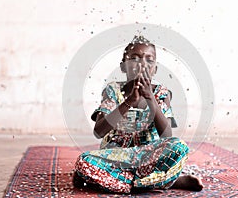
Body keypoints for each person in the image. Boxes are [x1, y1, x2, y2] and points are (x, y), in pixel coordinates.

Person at [73, 35, 203, 193]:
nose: (142, 64)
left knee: (179, 147)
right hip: (118, 157)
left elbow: (167, 136)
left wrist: (150, 98)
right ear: (123, 67)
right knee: (84, 161)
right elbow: (99, 131)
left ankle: (115, 181)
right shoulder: (113, 91)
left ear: (154, 69)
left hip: (148, 157)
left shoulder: (161, 93)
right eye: (134, 58)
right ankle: (163, 181)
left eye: (149, 60)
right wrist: (129, 102)